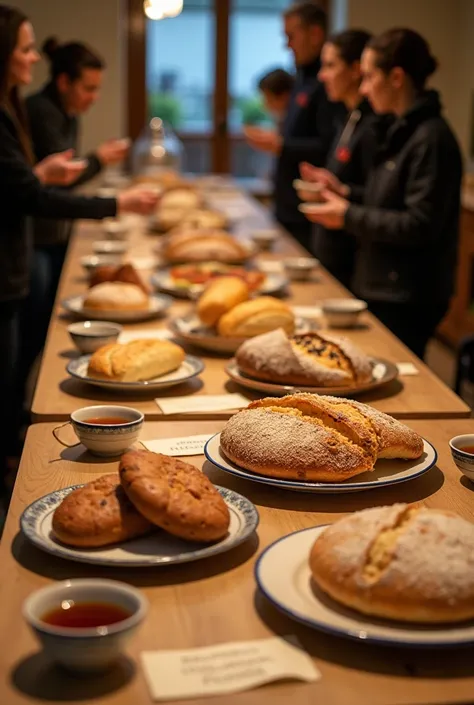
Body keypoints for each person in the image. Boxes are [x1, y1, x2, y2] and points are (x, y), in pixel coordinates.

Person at [0, 4, 159, 490]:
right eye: (25, 48)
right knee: (16, 367)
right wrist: (115, 199)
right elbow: (29, 195)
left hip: (21, 255)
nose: (32, 58)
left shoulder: (15, 107)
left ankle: (12, 450)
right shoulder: (21, 110)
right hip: (12, 262)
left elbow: (21, 184)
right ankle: (12, 462)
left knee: (23, 363)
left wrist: (42, 175)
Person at [302, 28, 463, 360]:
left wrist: (346, 215)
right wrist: (345, 191)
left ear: (397, 78)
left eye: (370, 76)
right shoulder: (401, 129)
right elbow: (386, 200)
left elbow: (418, 224)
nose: (363, 88)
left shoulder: (431, 138)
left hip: (406, 294)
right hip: (383, 284)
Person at [25, 38, 129, 372]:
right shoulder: (40, 111)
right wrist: (100, 160)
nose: (94, 98)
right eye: (88, 88)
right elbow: (56, 183)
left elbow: (65, 177)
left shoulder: (67, 113)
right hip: (35, 237)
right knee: (34, 333)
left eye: (98, 89)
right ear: (63, 82)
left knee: (44, 328)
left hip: (54, 232)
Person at [244, 2, 342, 252]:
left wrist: (280, 144)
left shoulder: (326, 85)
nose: (287, 44)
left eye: (291, 36)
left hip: (309, 211)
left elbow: (328, 147)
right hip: (287, 204)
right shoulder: (301, 78)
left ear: (315, 34)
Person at [297, 29, 375, 290]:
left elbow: (378, 198)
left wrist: (343, 192)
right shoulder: (347, 116)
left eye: (330, 65)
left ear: (356, 70)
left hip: (354, 260)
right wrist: (330, 185)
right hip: (332, 250)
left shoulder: (374, 126)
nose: (321, 75)